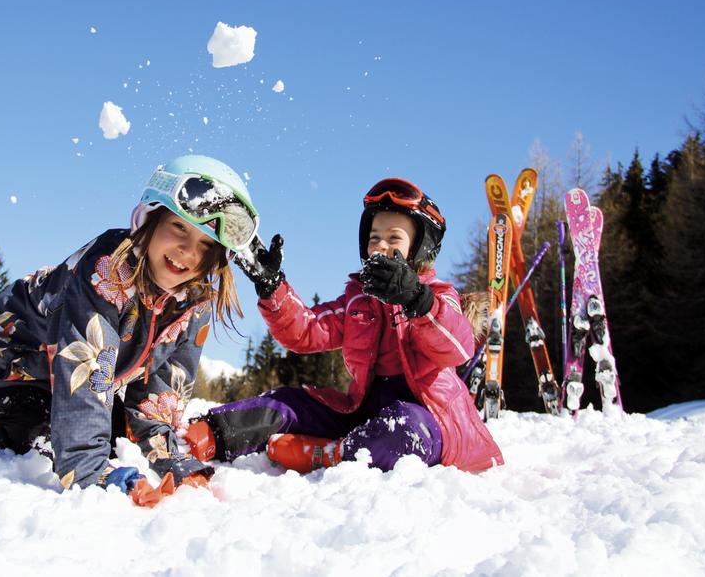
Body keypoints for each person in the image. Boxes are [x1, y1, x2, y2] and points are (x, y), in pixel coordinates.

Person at [0, 155, 259, 506]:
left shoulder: (193, 302)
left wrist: (171, 461)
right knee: (31, 440)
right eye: (179, 228)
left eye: (206, 245)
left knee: (117, 435)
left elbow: (160, 396)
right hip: (8, 363)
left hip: (66, 373)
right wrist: (96, 475)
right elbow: (82, 372)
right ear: (148, 219)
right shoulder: (107, 269)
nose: (187, 252)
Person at [184, 177, 503, 474]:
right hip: (363, 412)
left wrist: (417, 300)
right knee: (288, 402)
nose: (380, 245)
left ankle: (331, 454)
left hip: (432, 420)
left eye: (394, 238)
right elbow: (306, 331)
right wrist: (272, 286)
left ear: (419, 248)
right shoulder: (358, 300)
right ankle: (200, 436)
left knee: (404, 428)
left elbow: (458, 347)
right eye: (374, 237)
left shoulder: (438, 296)